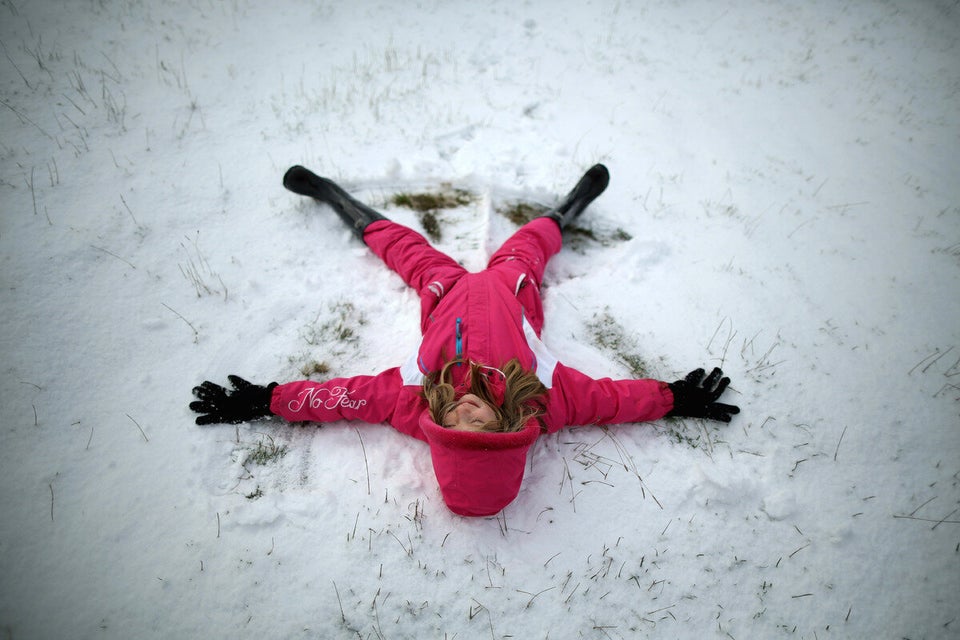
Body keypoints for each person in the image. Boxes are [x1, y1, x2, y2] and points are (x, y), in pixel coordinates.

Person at [190, 164, 740, 517]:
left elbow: (340, 398)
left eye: (457, 425)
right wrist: (672, 397)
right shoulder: (546, 398)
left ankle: (336, 199)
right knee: (531, 243)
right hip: (510, 286)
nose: (468, 412)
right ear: (508, 427)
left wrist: (266, 400)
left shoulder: (410, 399)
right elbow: (615, 401)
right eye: (482, 423)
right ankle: (568, 208)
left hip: (445, 289)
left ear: (440, 432)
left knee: (404, 247)